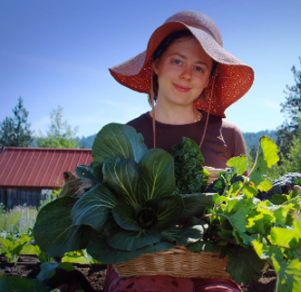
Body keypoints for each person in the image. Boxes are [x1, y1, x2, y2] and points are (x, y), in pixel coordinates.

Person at [104, 10, 254, 292]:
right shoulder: (126, 136)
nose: (187, 74)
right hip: (139, 267)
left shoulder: (229, 135)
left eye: (199, 67)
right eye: (177, 61)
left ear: (209, 78)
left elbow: (245, 213)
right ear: (157, 63)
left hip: (213, 267)